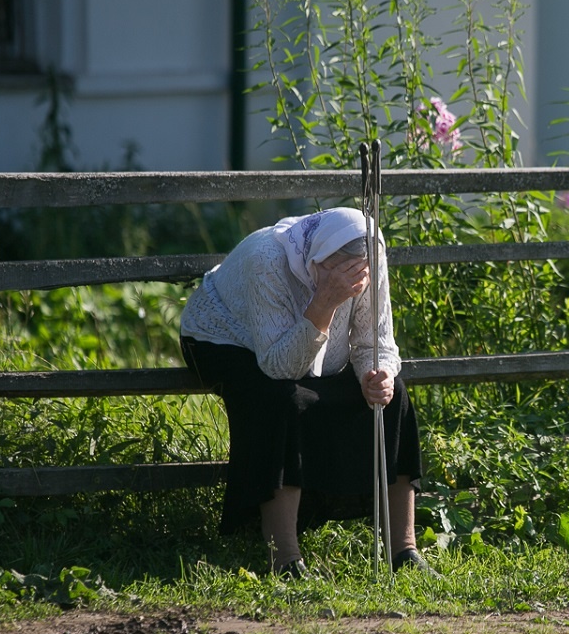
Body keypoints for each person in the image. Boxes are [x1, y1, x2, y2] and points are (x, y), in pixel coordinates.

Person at [179, 207, 434, 578]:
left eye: (354, 275)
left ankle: (405, 551)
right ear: (315, 258)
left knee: (391, 397)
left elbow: (374, 340)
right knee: (281, 399)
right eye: (335, 273)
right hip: (222, 340)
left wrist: (375, 374)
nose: (348, 283)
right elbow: (280, 367)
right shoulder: (265, 258)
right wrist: (325, 302)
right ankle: (284, 557)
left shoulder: (370, 256)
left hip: (307, 349)